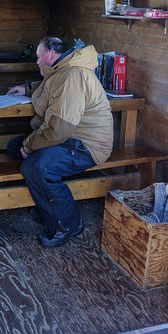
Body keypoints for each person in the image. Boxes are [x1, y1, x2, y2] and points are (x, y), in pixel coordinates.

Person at [6, 36, 113, 247]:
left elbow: (59, 130)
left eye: (39, 57)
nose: (37, 61)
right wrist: (27, 89)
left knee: (38, 167)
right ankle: (47, 203)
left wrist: (29, 145)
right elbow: (50, 87)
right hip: (70, 138)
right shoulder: (63, 70)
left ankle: (68, 224)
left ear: (50, 53)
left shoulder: (72, 75)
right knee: (13, 147)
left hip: (86, 145)